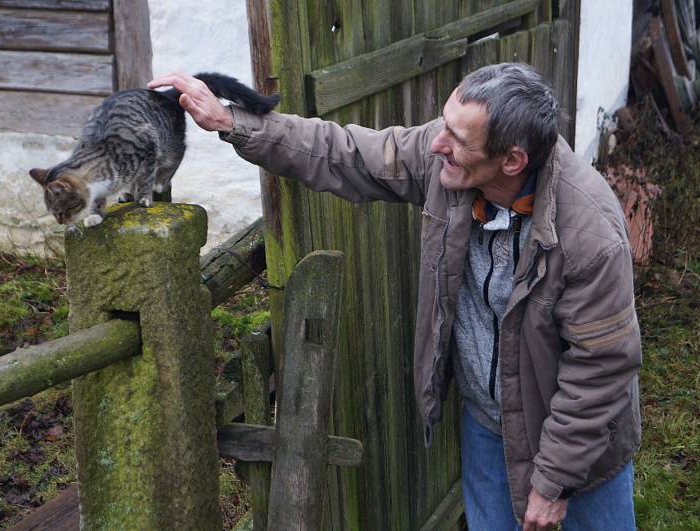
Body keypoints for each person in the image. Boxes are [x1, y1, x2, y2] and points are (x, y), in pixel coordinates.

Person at [149, 63, 641, 531]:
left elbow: (600, 369)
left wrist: (554, 481)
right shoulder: (448, 164)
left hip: (584, 442)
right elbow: (343, 152)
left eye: (456, 138)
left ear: (512, 160)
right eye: (443, 124)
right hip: (489, 423)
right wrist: (231, 120)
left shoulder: (589, 234)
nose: (437, 144)